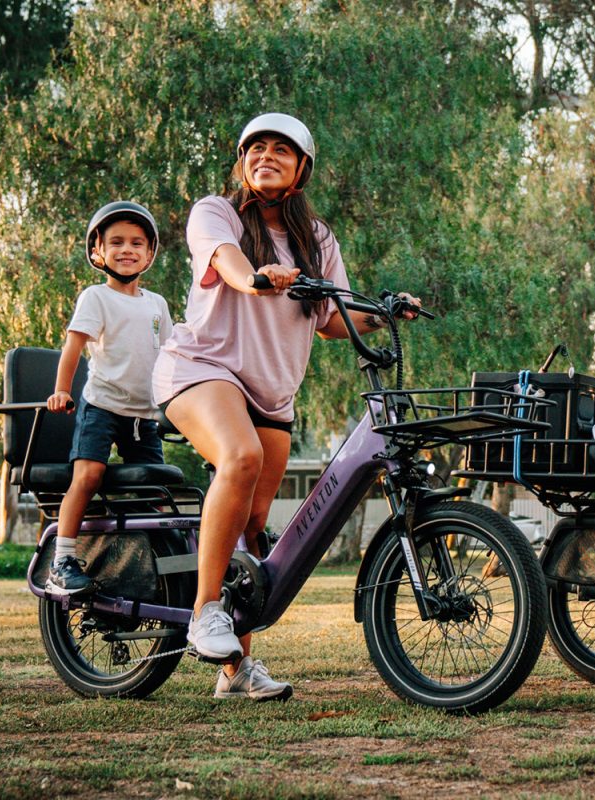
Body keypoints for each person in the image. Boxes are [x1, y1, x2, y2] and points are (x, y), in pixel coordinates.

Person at [152, 113, 422, 702]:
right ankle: (203, 614)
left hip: (272, 391)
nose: (266, 156)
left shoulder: (317, 239)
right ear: (242, 159)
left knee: (252, 527)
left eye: (281, 150)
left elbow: (332, 317)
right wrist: (258, 280)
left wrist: (382, 310)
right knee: (240, 457)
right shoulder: (215, 212)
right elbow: (227, 263)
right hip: (202, 369)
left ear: (301, 169)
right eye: (256, 148)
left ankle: (237, 672)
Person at [45, 202, 173, 597]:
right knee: (88, 475)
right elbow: (73, 346)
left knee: (157, 492)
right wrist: (62, 389)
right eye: (115, 242)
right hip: (101, 405)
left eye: (137, 242)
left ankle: (166, 562)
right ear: (98, 252)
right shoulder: (96, 297)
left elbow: (172, 356)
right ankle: (62, 560)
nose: (127, 249)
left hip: (143, 415)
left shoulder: (157, 305)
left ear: (150, 254)